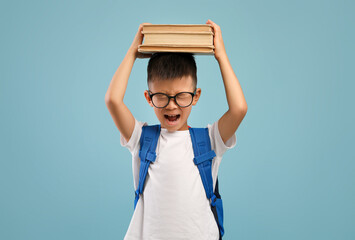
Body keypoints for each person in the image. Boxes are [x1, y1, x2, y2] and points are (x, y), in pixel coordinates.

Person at [105, 19, 247, 240]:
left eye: (182, 96)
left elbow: (239, 108)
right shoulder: (142, 139)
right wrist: (133, 51)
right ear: (149, 98)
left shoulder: (209, 140)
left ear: (196, 96)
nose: (172, 105)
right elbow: (113, 100)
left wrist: (221, 55)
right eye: (161, 96)